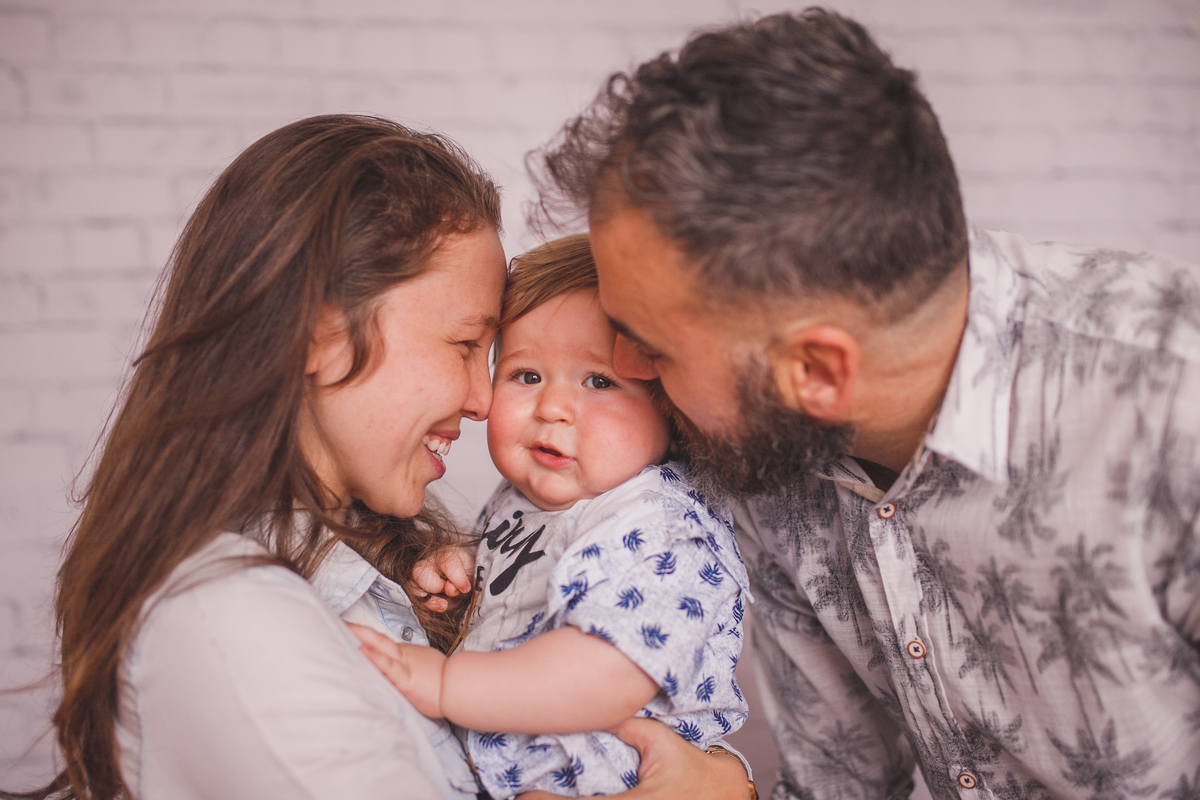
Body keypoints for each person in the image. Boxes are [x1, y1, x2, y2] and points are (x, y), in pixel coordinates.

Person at [533, 8, 1200, 800]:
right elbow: (838, 785)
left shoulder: (1171, 411)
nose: (624, 367)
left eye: (652, 344)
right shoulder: (762, 447)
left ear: (817, 372)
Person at [2, 114, 506, 800]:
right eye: (466, 344)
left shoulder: (385, 571)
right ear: (320, 331)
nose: (484, 400)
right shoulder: (227, 619)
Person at [353, 234, 753, 799]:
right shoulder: (530, 497)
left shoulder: (661, 528)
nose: (553, 408)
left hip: (610, 779)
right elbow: (530, 591)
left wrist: (445, 685)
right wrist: (469, 569)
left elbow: (604, 675)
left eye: (599, 381)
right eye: (527, 376)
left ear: (671, 406)